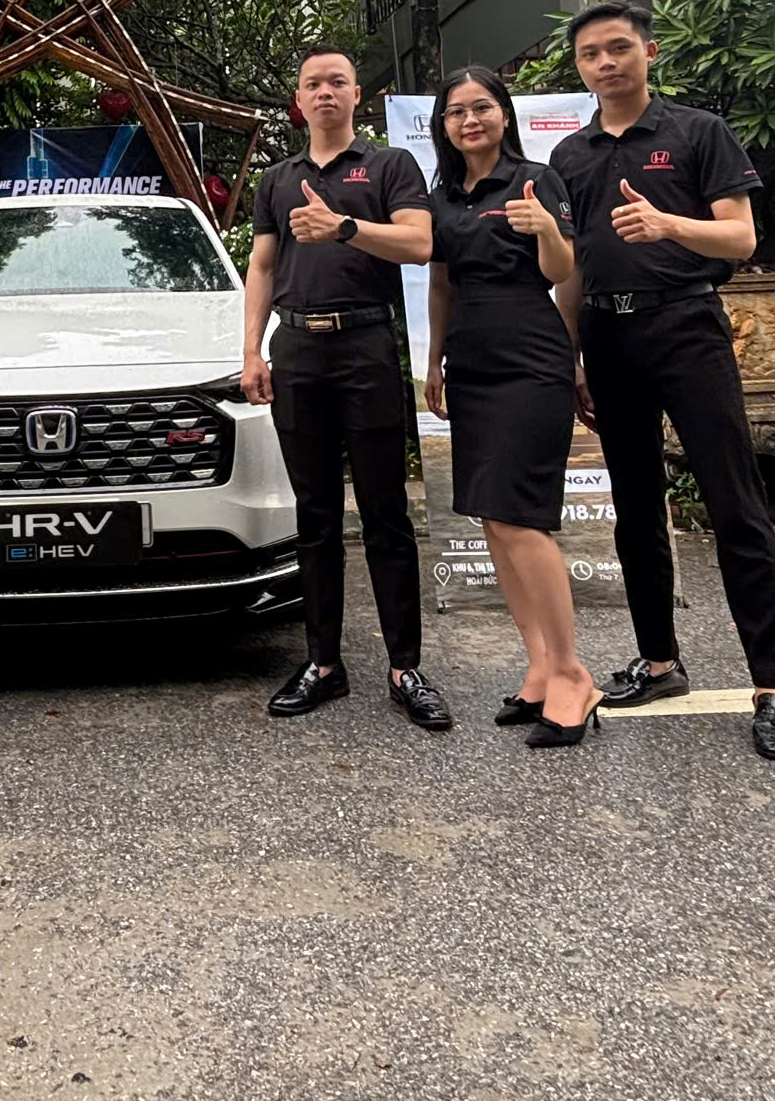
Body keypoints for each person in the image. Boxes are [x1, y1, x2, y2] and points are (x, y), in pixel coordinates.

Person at [547, 1, 775, 762]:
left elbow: (741, 236)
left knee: (736, 505)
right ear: (580, 67)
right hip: (608, 334)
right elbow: (574, 266)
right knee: (634, 510)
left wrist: (669, 225)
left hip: (687, 326)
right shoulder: (570, 156)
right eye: (591, 54)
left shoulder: (698, 132)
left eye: (619, 48)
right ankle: (659, 663)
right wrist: (571, 354)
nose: (606, 63)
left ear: (649, 53)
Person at [243, 47, 447, 729]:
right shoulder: (278, 179)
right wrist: (252, 349)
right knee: (316, 514)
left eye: (337, 82)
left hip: (365, 345)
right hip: (297, 350)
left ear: (358, 95)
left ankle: (405, 667)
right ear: (298, 101)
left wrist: (345, 227)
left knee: (386, 513)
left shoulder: (390, 166)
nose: (325, 91)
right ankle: (323, 664)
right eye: (313, 83)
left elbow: (419, 244)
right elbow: (262, 266)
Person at [419, 67, 603, 748]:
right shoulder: (441, 198)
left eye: (482, 107)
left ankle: (573, 673)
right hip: (471, 362)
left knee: (523, 519)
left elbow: (561, 270)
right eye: (456, 112)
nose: (470, 120)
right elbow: (441, 284)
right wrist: (433, 361)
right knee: (493, 520)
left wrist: (545, 229)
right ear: (442, 126)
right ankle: (540, 666)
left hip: (530, 357)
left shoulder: (536, 179)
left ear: (504, 115)